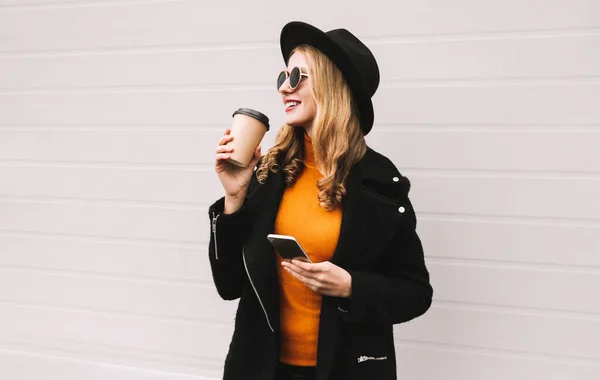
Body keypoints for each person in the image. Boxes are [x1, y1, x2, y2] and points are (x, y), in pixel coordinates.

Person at [208, 21, 433, 380]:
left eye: (298, 76)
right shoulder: (270, 171)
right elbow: (229, 284)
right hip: (263, 369)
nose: (285, 87)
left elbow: (416, 293)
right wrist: (233, 197)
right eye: (282, 76)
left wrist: (350, 286)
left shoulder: (379, 181)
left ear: (333, 84)